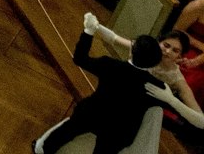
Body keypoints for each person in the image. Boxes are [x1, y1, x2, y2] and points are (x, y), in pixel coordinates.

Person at [35, 11, 204, 150]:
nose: (167, 52)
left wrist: (170, 99)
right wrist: (95, 26)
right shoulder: (146, 50)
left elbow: (201, 121)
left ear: (180, 57)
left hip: (140, 114)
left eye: (175, 51)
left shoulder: (174, 79)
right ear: (158, 42)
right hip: (117, 115)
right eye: (166, 45)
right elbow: (113, 38)